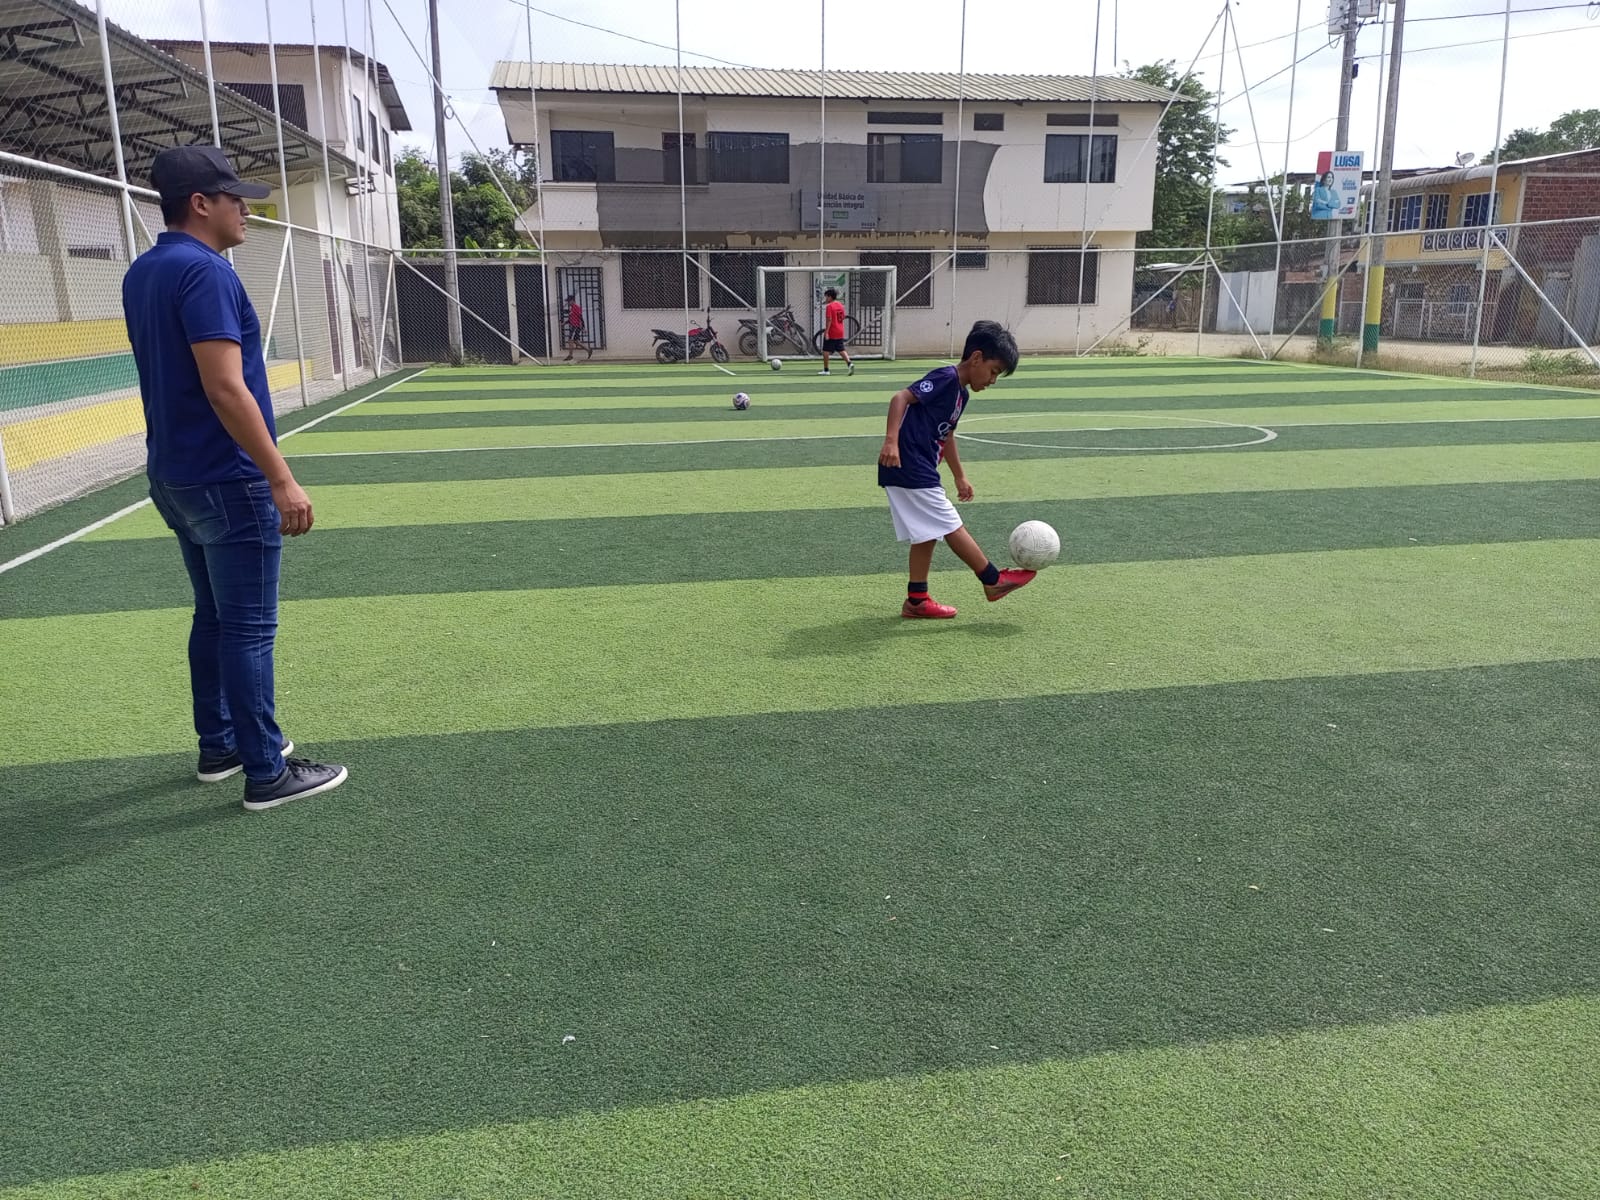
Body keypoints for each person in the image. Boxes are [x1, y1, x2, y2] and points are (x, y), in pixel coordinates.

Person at [122, 145, 347, 812]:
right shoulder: (206, 272)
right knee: (248, 628)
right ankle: (266, 771)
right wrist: (280, 477)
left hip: (174, 472)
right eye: (234, 199)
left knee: (215, 616)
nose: (246, 210)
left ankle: (220, 745)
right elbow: (225, 387)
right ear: (201, 204)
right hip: (226, 475)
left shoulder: (145, 271)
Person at [877, 319, 1034, 619]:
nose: (993, 380)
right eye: (993, 371)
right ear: (976, 358)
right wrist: (891, 441)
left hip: (921, 465)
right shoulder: (946, 378)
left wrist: (960, 476)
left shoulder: (962, 394)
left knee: (926, 533)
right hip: (907, 462)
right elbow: (901, 398)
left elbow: (947, 435)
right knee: (950, 524)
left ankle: (917, 601)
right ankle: (992, 580)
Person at [818, 287, 853, 376]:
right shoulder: (840, 305)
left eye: (826, 297)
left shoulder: (829, 306)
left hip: (832, 331)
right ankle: (849, 363)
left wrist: (826, 332)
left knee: (825, 350)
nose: (826, 299)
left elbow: (829, 319)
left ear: (830, 297)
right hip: (840, 330)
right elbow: (843, 317)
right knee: (841, 349)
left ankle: (826, 370)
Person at [563, 293, 592, 360]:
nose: (568, 303)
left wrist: (584, 327)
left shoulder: (576, 307)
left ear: (572, 301)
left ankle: (570, 355)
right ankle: (588, 350)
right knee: (576, 341)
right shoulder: (572, 308)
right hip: (573, 326)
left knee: (570, 340)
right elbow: (571, 319)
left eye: (569, 301)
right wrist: (565, 323)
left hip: (576, 326)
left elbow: (580, 317)